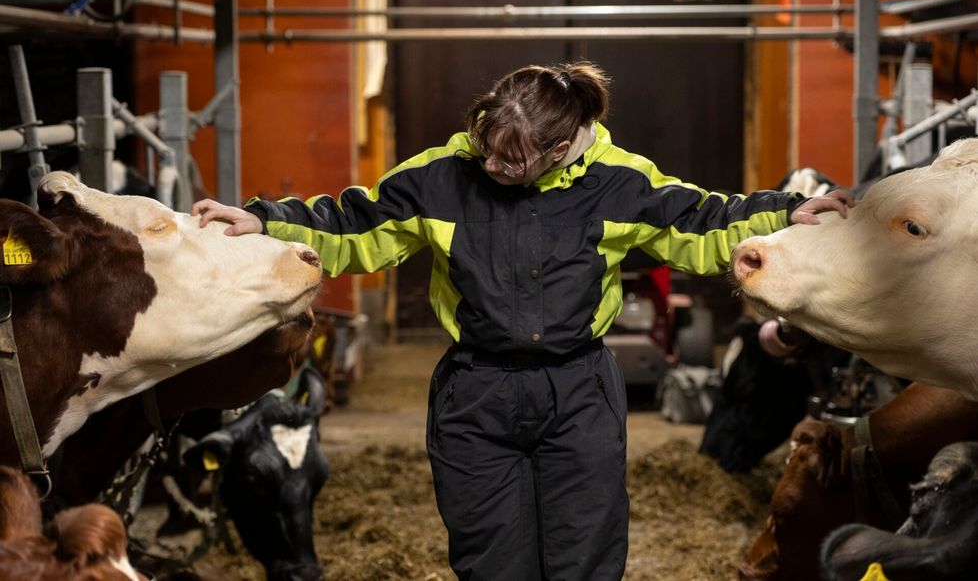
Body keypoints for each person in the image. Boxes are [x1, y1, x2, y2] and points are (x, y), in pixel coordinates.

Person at [193, 61, 853, 580]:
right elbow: (353, 220)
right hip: (476, 393)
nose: (491, 165)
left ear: (561, 148)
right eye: (486, 147)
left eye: (511, 159)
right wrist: (264, 221)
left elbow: (704, 219)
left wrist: (784, 213)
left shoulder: (619, 183)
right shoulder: (441, 178)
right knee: (491, 558)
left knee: (584, 555)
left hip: (579, 392)